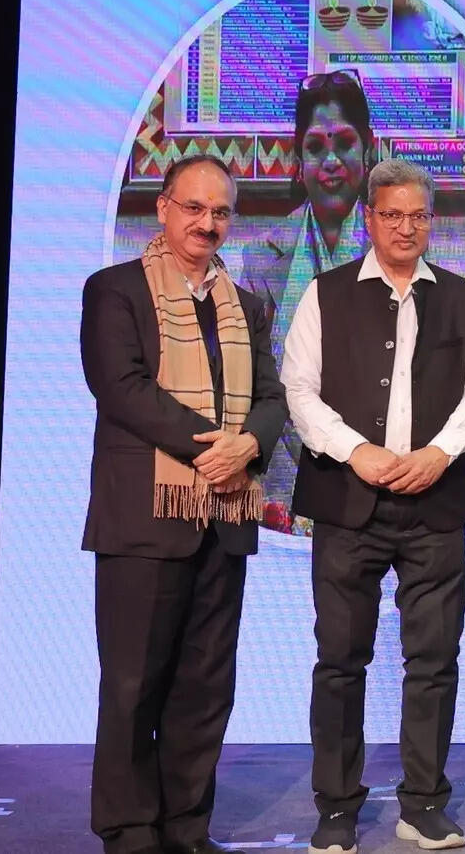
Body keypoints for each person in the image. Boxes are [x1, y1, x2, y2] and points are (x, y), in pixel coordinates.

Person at [281, 159, 465, 854]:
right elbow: (298, 388)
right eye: (392, 215)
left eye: (418, 216)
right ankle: (336, 809)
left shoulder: (460, 295)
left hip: (434, 505)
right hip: (348, 503)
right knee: (340, 660)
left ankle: (424, 803)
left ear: (431, 222)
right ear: (369, 220)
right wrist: (355, 451)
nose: (406, 228)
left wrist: (439, 453)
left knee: (433, 660)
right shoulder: (325, 293)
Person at [80, 154, 287, 854]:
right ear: (163, 208)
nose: (207, 223)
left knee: (205, 687)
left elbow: (271, 396)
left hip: (224, 518)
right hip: (145, 517)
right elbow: (121, 387)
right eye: (194, 208)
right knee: (134, 685)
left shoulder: (246, 304)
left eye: (220, 212)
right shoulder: (115, 290)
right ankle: (131, 830)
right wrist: (215, 448)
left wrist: (248, 445)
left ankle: (187, 828)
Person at [242, 69, 378, 533]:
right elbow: (256, 385)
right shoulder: (263, 258)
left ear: (369, 149)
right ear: (298, 159)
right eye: (316, 147)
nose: (332, 160)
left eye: (345, 143)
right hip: (288, 495)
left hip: (380, 481)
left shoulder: (401, 252)